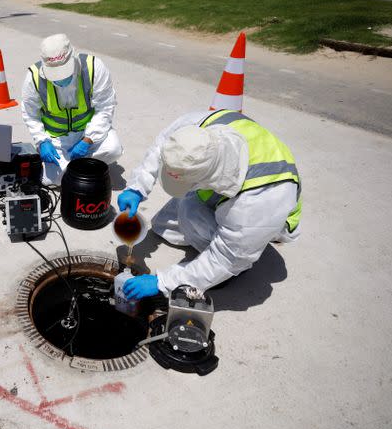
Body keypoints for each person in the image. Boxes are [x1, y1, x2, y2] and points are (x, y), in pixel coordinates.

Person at [117, 109, 302, 301]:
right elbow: (163, 146)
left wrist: (162, 282)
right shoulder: (200, 128)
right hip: (235, 187)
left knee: (195, 217)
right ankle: (216, 238)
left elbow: (227, 258)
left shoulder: (258, 203)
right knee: (166, 226)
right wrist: (138, 186)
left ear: (207, 178)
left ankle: (236, 266)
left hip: (267, 212)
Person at [21, 34, 123, 185]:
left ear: (73, 57)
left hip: (87, 133)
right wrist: (41, 141)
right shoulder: (34, 77)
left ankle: (81, 164)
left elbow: (105, 107)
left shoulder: (93, 67)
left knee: (113, 149)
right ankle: (78, 166)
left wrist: (88, 140)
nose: (61, 80)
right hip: (56, 140)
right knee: (51, 180)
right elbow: (30, 114)